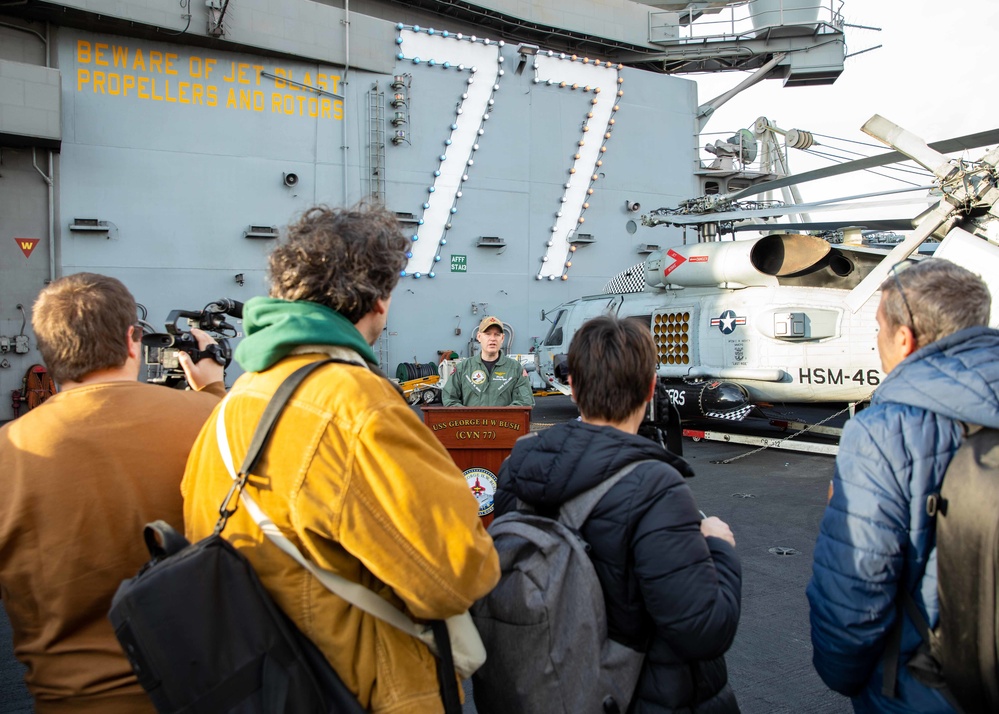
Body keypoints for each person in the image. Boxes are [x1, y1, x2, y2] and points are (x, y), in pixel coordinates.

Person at [181, 203, 500, 714]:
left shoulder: (235, 401)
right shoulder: (359, 403)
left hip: (268, 683)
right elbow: (458, 574)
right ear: (377, 300)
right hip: (362, 689)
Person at [0, 272, 225, 714]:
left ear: (47, 349)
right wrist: (213, 391)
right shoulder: (212, 418)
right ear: (132, 339)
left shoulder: (9, 450)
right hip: (209, 690)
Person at [493, 315, 742, 713]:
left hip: (550, 682)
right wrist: (719, 547)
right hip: (637, 694)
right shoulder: (657, 487)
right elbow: (703, 629)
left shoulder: (519, 464)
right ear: (650, 388)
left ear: (571, 386)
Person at [807, 258, 999, 713]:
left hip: (926, 685)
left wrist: (845, 676)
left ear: (903, 338)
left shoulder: (882, 432)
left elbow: (854, 587)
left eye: (877, 329)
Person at [442, 315, 535, 407]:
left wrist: (499, 418)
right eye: (487, 334)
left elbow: (525, 402)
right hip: (471, 422)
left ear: (502, 338)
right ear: (479, 336)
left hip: (504, 422)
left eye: (497, 334)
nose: (492, 338)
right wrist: (471, 417)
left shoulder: (516, 369)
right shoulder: (462, 368)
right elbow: (449, 399)